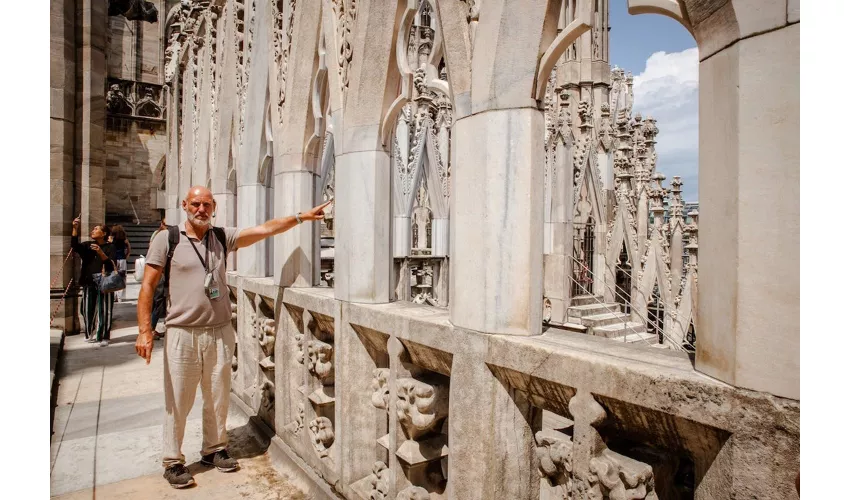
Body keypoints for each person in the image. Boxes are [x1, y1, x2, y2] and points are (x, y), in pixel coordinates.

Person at [135, 186, 331, 489]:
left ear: (214, 208)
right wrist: (145, 331)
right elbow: (148, 286)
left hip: (220, 331)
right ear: (184, 205)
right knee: (178, 400)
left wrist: (300, 217)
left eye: (207, 205)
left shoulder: (221, 237)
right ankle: (173, 461)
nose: (201, 209)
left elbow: (264, 230)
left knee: (217, 395)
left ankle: (214, 449)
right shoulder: (168, 238)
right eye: (196, 204)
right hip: (182, 333)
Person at [72, 218, 116, 347]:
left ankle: (103, 335)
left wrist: (100, 252)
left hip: (105, 282)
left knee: (105, 310)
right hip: (89, 281)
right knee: (86, 309)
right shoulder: (87, 245)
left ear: (103, 234)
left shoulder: (110, 247)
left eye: (96, 229)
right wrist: (75, 228)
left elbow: (110, 263)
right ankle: (89, 332)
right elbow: (74, 246)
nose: (93, 231)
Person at [109, 225, 132, 302]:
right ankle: (120, 296)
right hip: (122, 259)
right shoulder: (124, 239)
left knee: (114, 276)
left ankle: (114, 295)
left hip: (114, 259)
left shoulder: (112, 239)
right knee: (122, 277)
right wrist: (126, 256)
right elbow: (129, 248)